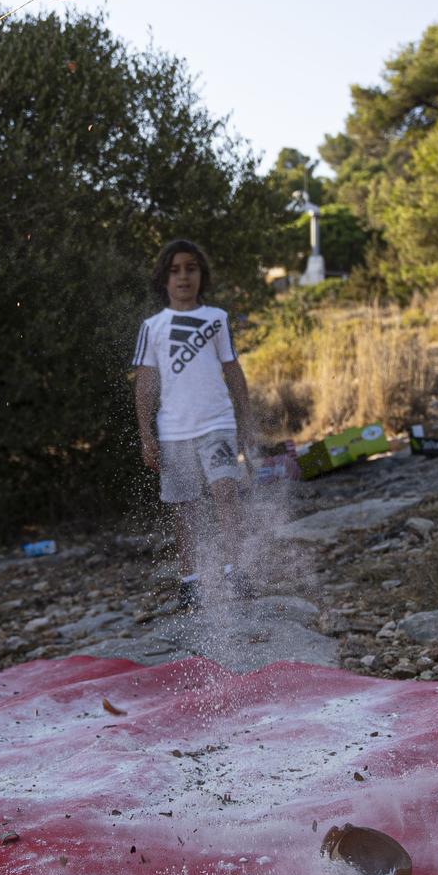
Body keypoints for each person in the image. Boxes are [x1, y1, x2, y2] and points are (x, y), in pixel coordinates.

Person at [133, 238, 255, 613]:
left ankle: (236, 571)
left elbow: (232, 370)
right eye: (175, 270)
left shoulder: (216, 319)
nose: (183, 277)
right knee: (185, 507)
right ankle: (191, 581)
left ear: (201, 274)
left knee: (225, 492)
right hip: (174, 432)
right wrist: (145, 433)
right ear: (163, 279)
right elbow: (145, 381)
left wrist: (245, 422)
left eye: (191, 268)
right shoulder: (152, 327)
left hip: (217, 423)